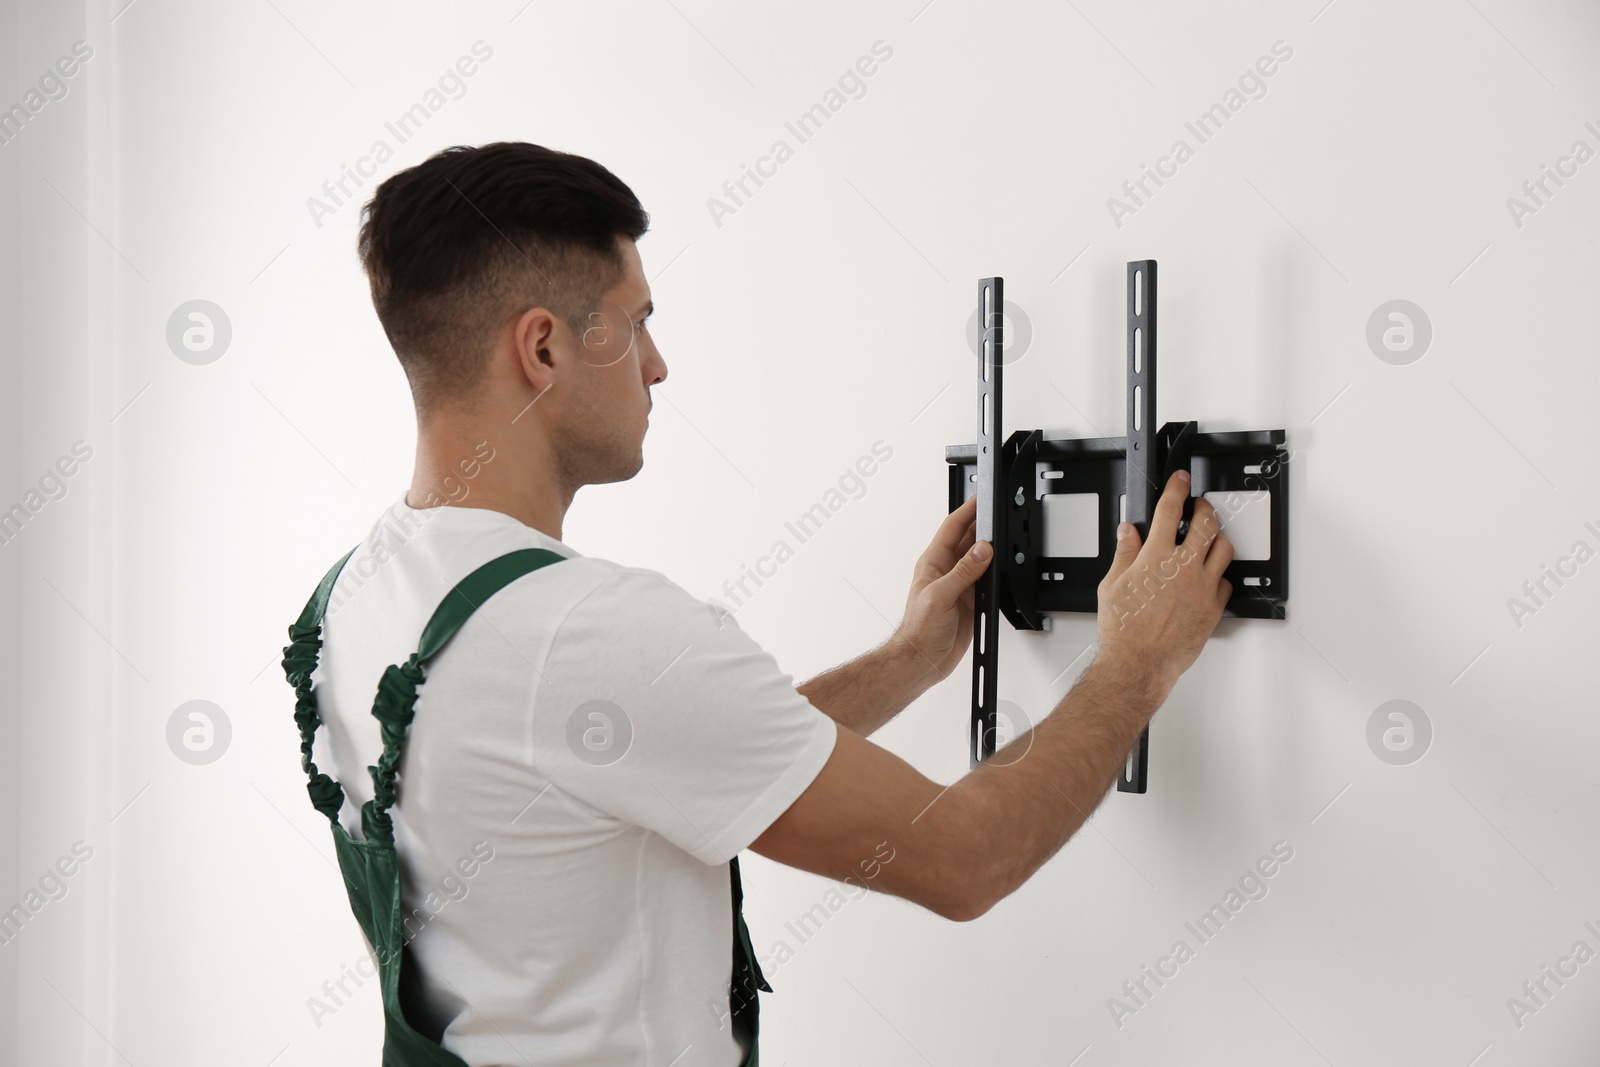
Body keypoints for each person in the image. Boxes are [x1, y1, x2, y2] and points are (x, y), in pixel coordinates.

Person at [287, 141, 1233, 1067]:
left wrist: (907, 658)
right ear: (542, 347)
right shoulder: (588, 631)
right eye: (635, 321)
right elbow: (963, 858)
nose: (657, 365)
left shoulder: (353, 600)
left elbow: (660, 757)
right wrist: (1133, 664)